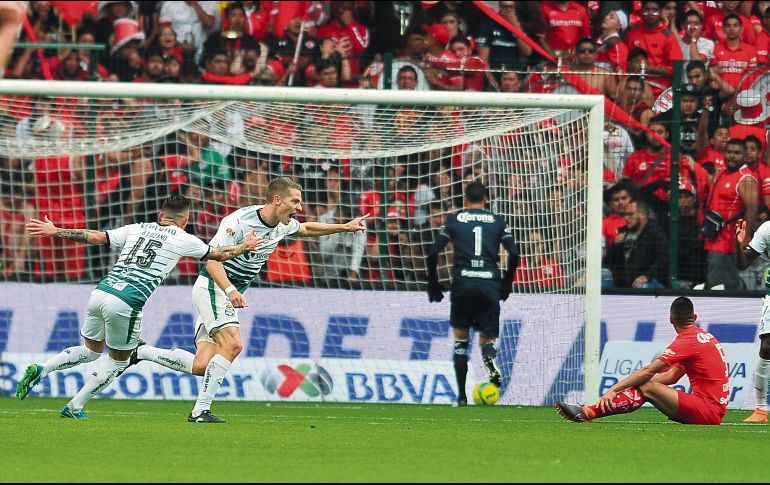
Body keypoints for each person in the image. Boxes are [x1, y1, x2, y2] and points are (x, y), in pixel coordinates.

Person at [129, 177, 369, 423]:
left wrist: (345, 227)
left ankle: (142, 351)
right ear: (277, 199)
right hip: (213, 287)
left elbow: (306, 228)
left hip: (223, 291)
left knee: (202, 365)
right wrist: (231, 290)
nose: (299, 207)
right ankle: (200, 411)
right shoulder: (238, 222)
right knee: (233, 345)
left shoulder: (281, 224)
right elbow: (212, 261)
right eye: (294, 201)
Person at [14, 195, 262, 419]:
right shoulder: (185, 239)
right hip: (127, 302)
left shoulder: (137, 228)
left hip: (101, 291)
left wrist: (56, 231)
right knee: (119, 361)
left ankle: (42, 369)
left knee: (91, 351)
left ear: (160, 216)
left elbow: (98, 236)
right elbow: (218, 255)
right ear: (186, 220)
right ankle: (75, 407)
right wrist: (244, 247)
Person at [556, 296, 729, 425]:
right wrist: (635, 384)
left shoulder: (687, 341)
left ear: (671, 319)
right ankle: (587, 411)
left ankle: (588, 412)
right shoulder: (704, 337)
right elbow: (672, 377)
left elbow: (648, 371)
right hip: (712, 410)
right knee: (644, 385)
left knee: (645, 384)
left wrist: (615, 389)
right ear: (695, 317)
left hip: (707, 410)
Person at [425, 181, 520, 406]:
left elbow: (433, 252)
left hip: (463, 283)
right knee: (487, 338)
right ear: (486, 199)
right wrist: (506, 283)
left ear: (466, 201)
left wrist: (433, 284)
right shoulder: (497, 221)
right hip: (489, 284)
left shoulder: (455, 219)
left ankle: (461, 397)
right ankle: (488, 354)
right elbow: (514, 253)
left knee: (461, 341)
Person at [735, 218, 770, 422]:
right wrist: (738, 244)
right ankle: (760, 409)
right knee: (767, 347)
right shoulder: (767, 229)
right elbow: (743, 263)